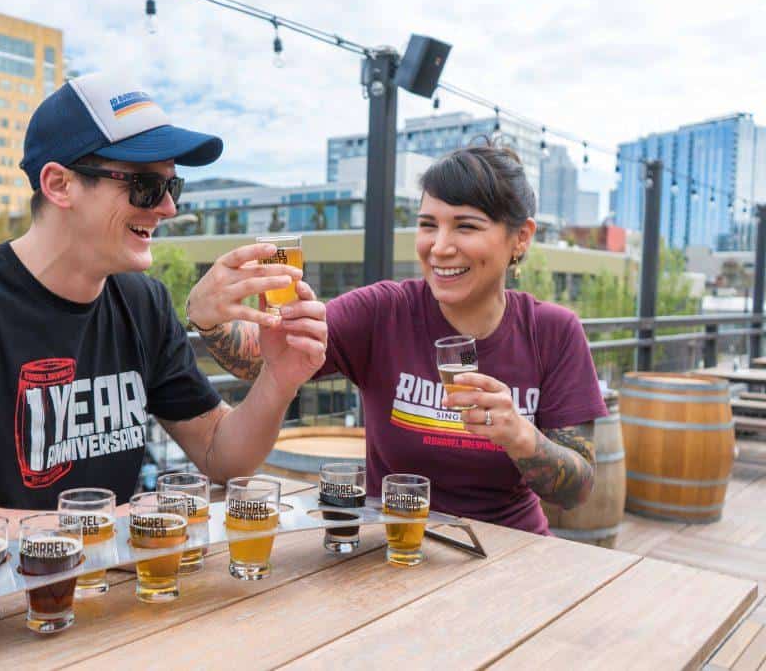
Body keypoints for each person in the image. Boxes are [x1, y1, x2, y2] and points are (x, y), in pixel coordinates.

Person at [0, 72, 325, 576]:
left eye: (174, 186)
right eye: (146, 186)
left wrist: (278, 382)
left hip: (108, 607)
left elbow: (221, 456)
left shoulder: (142, 303)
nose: (167, 208)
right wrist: (85, 529)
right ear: (59, 185)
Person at [186, 143, 605, 535]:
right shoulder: (383, 312)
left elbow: (577, 489)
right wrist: (208, 317)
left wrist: (520, 435)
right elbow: (267, 363)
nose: (439, 247)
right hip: (395, 545)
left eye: (466, 226)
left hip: (509, 550)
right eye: (428, 225)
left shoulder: (554, 331)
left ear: (521, 238)